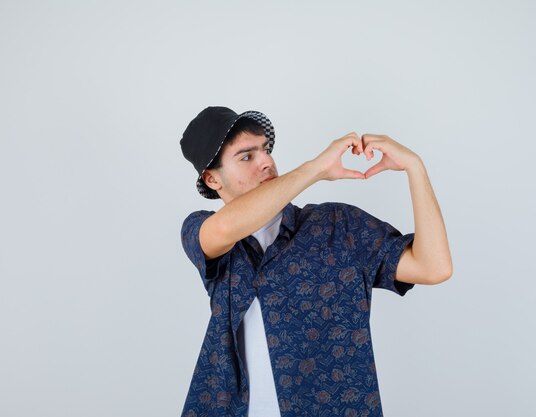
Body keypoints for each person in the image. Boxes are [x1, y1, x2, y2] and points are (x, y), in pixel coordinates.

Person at [179, 106, 452, 417]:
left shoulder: (337, 225)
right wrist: (316, 169)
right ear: (213, 179)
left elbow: (434, 266)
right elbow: (226, 227)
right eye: (247, 156)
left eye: (266, 150)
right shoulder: (202, 231)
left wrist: (415, 168)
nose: (267, 161)